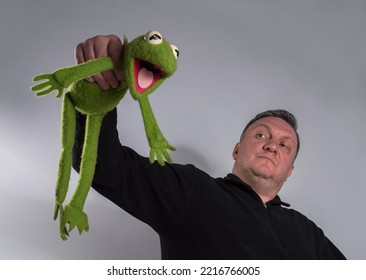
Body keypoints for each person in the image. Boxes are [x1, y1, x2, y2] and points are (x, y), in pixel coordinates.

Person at [72, 34, 346, 260]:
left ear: (289, 171)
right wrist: (99, 94)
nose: (273, 146)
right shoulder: (193, 190)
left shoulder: (309, 234)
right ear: (237, 150)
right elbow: (104, 167)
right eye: (262, 136)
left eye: (285, 145)